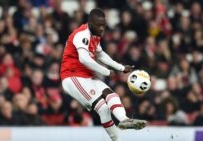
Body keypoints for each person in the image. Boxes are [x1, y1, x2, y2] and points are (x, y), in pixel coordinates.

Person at [60, 8, 147, 141]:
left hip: (86, 76)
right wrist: (105, 71)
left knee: (111, 94)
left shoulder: (95, 35)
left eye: (103, 25)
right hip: (72, 76)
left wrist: (121, 67)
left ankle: (124, 119)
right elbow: (84, 59)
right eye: (98, 25)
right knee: (103, 108)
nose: (101, 28)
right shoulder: (82, 34)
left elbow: (100, 54)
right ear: (90, 22)